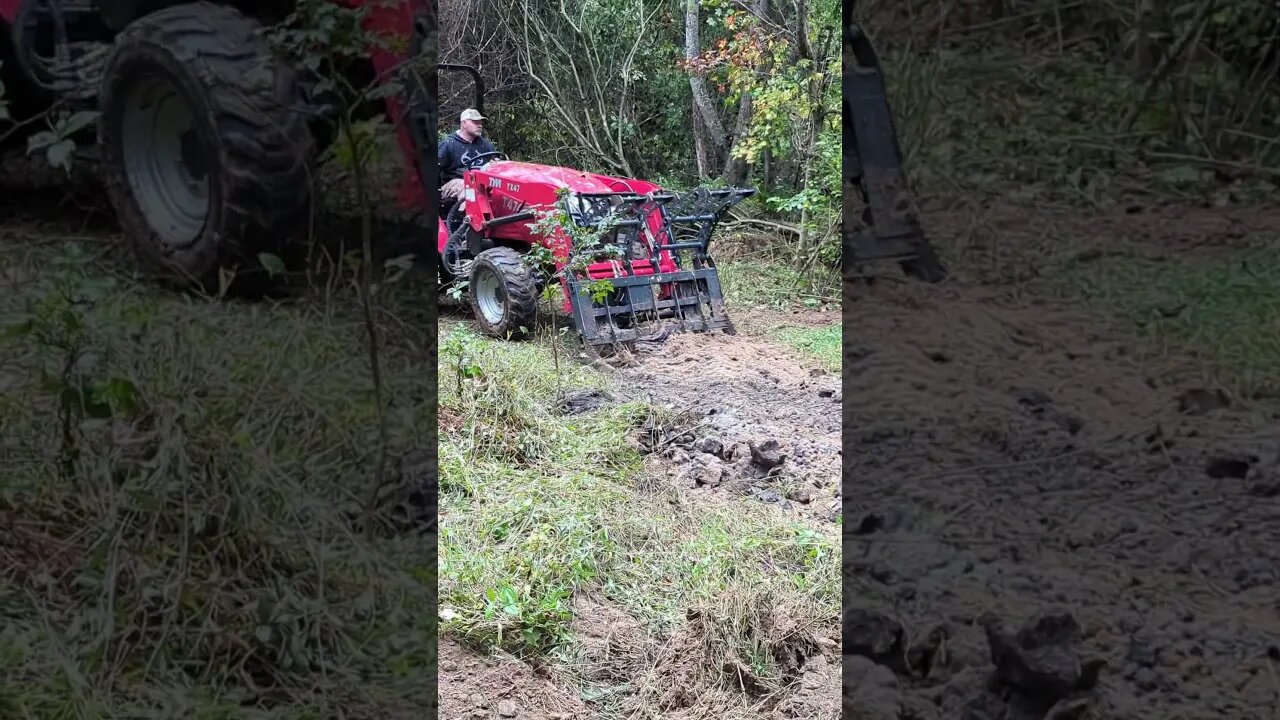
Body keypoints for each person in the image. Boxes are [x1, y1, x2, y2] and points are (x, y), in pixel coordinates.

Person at [438, 108, 497, 207]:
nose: (480, 125)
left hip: (481, 182)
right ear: (464, 123)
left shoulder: (486, 145)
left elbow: (496, 163)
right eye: (475, 122)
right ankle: (469, 218)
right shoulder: (449, 144)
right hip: (454, 183)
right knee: (467, 187)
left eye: (480, 122)